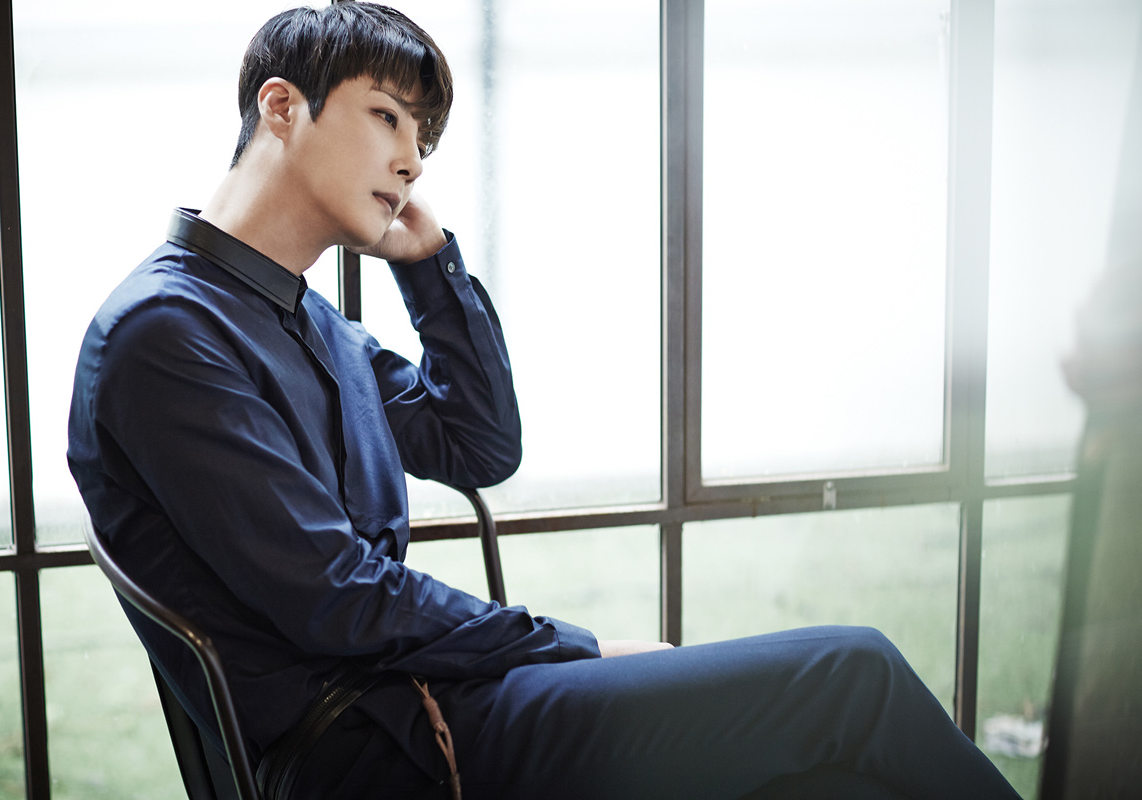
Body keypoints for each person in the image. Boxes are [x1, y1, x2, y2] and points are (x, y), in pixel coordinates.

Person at [67, 3, 1023, 798]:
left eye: (423, 140)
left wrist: (430, 267)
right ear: (282, 107)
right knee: (852, 674)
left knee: (834, 776)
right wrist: (580, 649)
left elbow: (476, 441)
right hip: (374, 748)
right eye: (388, 117)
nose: (412, 161)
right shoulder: (167, 334)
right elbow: (338, 600)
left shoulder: (303, 319)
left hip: (429, 702)